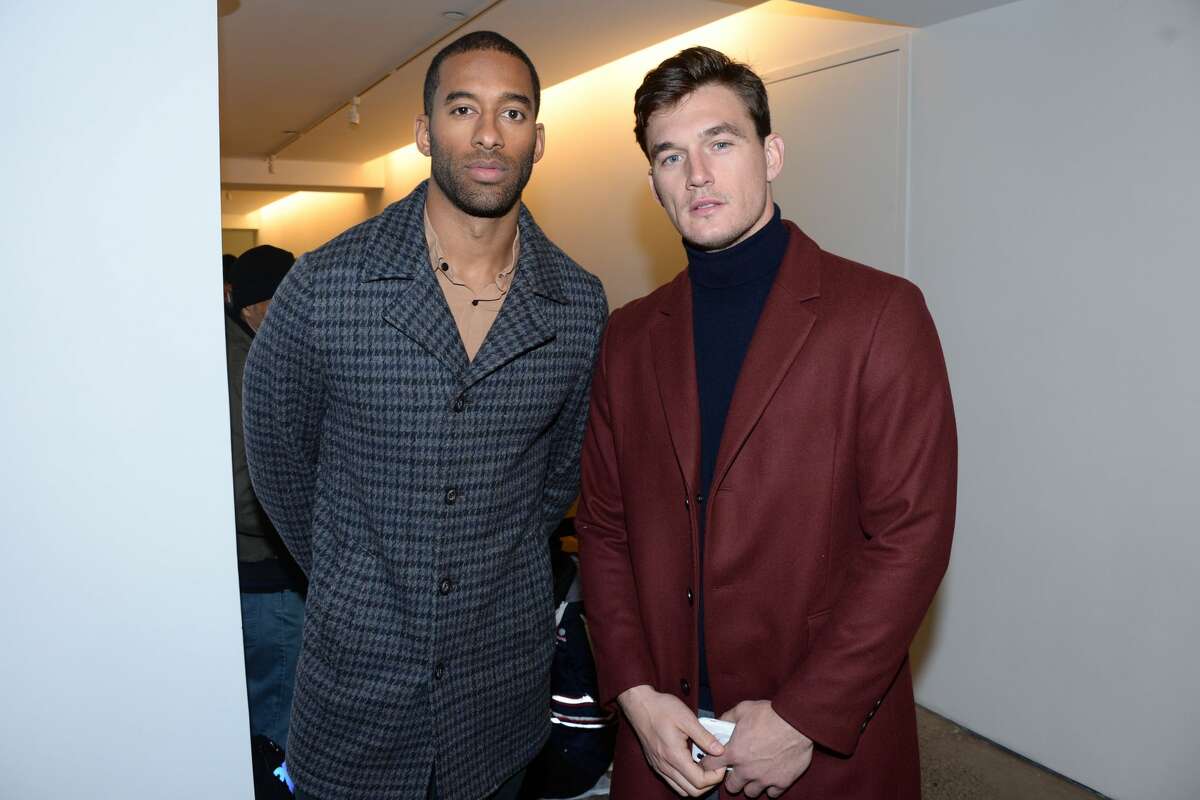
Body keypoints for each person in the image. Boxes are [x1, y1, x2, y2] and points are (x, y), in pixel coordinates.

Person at [576, 46, 957, 800]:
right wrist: (633, 696)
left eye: (721, 142)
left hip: (819, 747)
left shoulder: (879, 315)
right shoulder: (628, 335)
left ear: (771, 153)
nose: (698, 174)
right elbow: (604, 528)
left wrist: (802, 719)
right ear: (653, 181)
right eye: (670, 156)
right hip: (664, 742)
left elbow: (910, 539)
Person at [242, 31, 608, 800]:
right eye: (462, 108)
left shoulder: (576, 303)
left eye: (512, 112)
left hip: (500, 694)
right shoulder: (328, 284)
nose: (487, 132)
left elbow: (558, 477)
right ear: (422, 132)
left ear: (537, 140)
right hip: (355, 689)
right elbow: (276, 458)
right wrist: (355, 577)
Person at [225, 244, 307, 751]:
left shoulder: (251, 351)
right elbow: (241, 489)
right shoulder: (242, 366)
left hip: (265, 578)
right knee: (274, 728)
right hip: (267, 580)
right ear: (253, 305)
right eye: (281, 303)